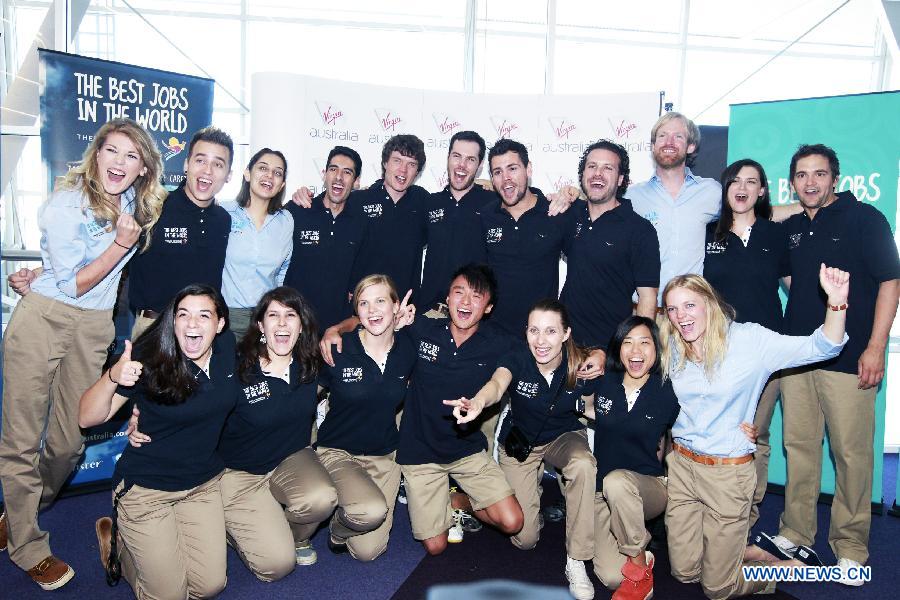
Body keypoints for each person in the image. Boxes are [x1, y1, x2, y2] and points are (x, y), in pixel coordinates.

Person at [0, 118, 165, 591]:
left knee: (70, 442)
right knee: (21, 439)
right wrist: (119, 245)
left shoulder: (136, 203)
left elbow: (197, 190)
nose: (119, 162)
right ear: (96, 154)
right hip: (44, 318)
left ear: (142, 169)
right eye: (112, 150)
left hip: (94, 326)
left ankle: (19, 511)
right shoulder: (65, 203)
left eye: (131, 156)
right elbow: (74, 281)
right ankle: (28, 545)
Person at [661, 268, 849, 599]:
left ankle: (776, 569)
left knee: (717, 589)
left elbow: (823, 347)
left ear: (709, 302)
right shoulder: (673, 345)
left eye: (689, 305)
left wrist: (836, 304)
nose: (681, 317)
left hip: (727, 474)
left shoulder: (750, 340)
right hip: (683, 468)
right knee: (684, 572)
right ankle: (742, 554)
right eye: (673, 309)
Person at [121, 286, 339, 573]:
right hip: (238, 472)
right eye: (273, 315)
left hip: (289, 460)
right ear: (260, 325)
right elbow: (185, 398)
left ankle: (292, 537)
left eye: (291, 315)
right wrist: (140, 414)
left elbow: (359, 375)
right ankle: (238, 529)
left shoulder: (311, 364)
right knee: (276, 566)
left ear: (302, 326)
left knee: (322, 498)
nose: (283, 323)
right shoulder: (234, 366)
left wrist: (351, 326)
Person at [766, 144, 900, 584]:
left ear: (835, 178)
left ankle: (851, 548)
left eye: (819, 174)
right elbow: (791, 275)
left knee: (851, 455)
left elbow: (890, 281)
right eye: (801, 176)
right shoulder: (793, 227)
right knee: (800, 449)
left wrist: (876, 346)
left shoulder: (866, 220)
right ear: (792, 182)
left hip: (851, 358)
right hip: (798, 356)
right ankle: (796, 533)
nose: (810, 183)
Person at [325, 264, 524, 557]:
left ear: (489, 307)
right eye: (459, 292)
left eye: (476, 296)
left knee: (513, 522)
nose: (466, 302)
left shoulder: (500, 342)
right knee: (435, 547)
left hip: (467, 450)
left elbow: (499, 381)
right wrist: (335, 328)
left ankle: (459, 501)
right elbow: (372, 320)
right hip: (420, 454)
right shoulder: (421, 329)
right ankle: (445, 499)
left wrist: (479, 402)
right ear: (447, 298)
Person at [79, 285, 237, 599]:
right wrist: (113, 377)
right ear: (172, 321)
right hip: (147, 489)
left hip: (201, 485)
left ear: (220, 325)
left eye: (203, 316)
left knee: (210, 586)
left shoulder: (228, 349)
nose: (192, 324)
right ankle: (118, 546)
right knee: (170, 595)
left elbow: (269, 349)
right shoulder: (148, 358)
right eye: (183, 315)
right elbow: (87, 418)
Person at [446, 300, 598, 600]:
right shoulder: (517, 356)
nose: (541, 341)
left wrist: (600, 410)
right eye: (534, 330)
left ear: (566, 333)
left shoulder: (580, 363)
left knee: (583, 464)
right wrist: (478, 402)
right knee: (524, 538)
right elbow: (497, 384)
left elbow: (594, 406)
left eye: (551, 331)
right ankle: (484, 498)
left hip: (562, 437)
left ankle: (577, 559)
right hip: (521, 444)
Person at [703, 158, 789, 528]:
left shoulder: (775, 235)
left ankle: (746, 517)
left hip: (765, 351)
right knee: (716, 429)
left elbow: (794, 289)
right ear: (725, 189)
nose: (741, 188)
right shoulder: (708, 233)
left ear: (762, 191)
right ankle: (712, 508)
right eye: (734, 181)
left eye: (751, 182)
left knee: (757, 433)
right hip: (716, 349)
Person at [316, 275, 417, 561]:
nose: (372, 310)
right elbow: (306, 396)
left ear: (396, 307)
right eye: (364, 303)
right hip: (338, 451)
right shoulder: (339, 347)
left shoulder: (408, 349)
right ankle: (346, 505)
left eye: (380, 301)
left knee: (368, 552)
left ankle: (338, 528)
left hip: (384, 456)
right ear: (356, 311)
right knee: (370, 511)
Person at [583, 316, 679, 600]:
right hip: (604, 493)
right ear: (618, 348)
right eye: (628, 342)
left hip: (649, 487)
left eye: (644, 343)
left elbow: (692, 426)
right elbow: (579, 407)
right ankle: (643, 557)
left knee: (617, 483)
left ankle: (638, 569)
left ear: (656, 349)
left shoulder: (668, 390)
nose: (636, 351)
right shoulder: (605, 383)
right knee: (612, 578)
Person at [127, 126, 233, 338]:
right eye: (200, 160)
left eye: (218, 164)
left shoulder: (224, 220)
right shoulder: (153, 208)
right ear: (186, 164)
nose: (208, 170)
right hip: (153, 329)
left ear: (228, 175)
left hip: (202, 333)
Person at [559, 140, 660, 361]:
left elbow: (647, 298)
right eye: (592, 166)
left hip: (610, 348)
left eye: (608, 168)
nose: (598, 173)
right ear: (583, 173)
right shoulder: (569, 213)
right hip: (564, 344)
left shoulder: (640, 230)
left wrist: (637, 350)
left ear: (621, 179)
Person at [284, 146, 368, 330]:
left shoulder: (361, 223)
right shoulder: (298, 209)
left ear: (356, 182)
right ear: (324, 174)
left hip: (334, 332)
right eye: (333, 169)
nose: (338, 177)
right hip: (294, 325)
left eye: (347, 172)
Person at [418, 130, 495, 316]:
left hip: (473, 315)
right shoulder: (429, 202)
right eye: (457, 156)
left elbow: (524, 195)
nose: (462, 165)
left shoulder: (493, 203)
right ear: (448, 158)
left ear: (480, 165)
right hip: (430, 312)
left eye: (470, 159)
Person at [221, 148, 293, 337]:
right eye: (262, 168)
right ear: (247, 173)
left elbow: (283, 272)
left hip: (266, 319)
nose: (269, 176)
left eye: (277, 173)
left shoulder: (286, 220)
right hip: (225, 317)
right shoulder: (223, 212)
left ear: (282, 183)